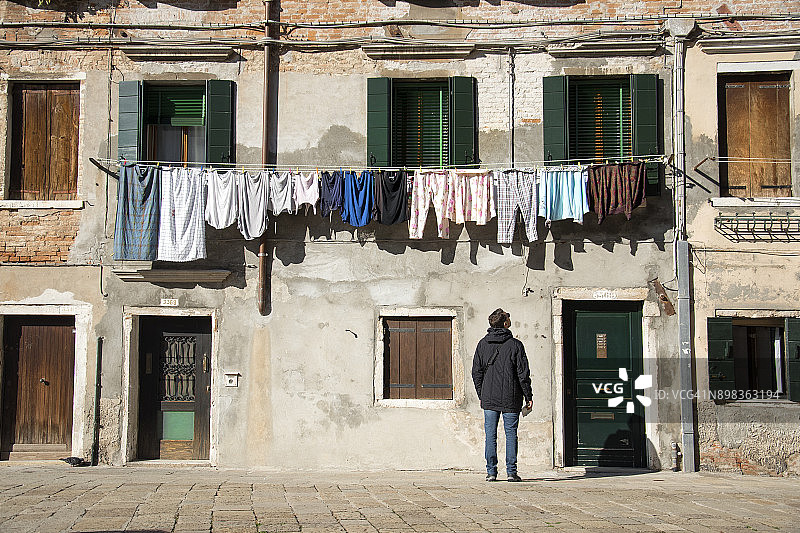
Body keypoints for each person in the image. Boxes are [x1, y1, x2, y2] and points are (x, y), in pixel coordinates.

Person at [471, 308, 533, 482]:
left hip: (489, 397)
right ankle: (511, 472)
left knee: (490, 435)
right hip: (511, 396)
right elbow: (523, 374)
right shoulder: (515, 345)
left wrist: (481, 393)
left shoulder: (482, 344)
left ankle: (491, 472)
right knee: (511, 433)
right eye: (508, 316)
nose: (510, 318)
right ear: (505, 323)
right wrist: (528, 396)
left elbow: (476, 372)